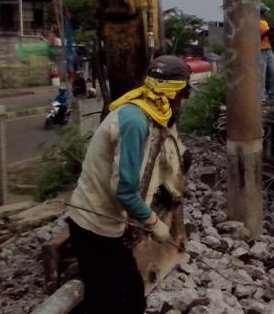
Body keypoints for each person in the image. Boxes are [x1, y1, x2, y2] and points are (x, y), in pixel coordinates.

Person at [66, 55, 192, 314]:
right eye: (182, 94)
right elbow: (124, 190)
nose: (182, 101)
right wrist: (154, 223)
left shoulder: (143, 110)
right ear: (173, 93)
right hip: (93, 227)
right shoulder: (135, 123)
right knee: (109, 301)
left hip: (106, 224)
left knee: (132, 296)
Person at [259, 3, 274, 105]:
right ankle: (261, 97)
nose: (267, 13)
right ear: (262, 12)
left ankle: (273, 95)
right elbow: (260, 36)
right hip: (260, 50)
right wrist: (271, 29)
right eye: (266, 11)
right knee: (261, 75)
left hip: (268, 49)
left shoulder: (265, 22)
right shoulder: (255, 23)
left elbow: (268, 37)